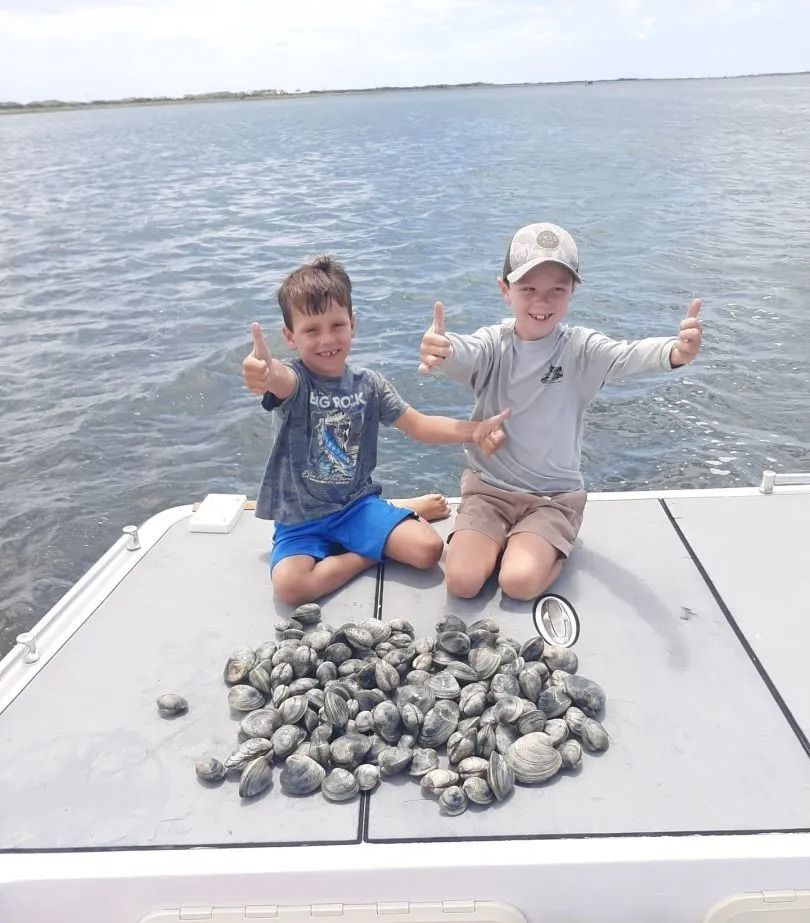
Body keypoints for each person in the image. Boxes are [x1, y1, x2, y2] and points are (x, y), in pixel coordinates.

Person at [418, 221, 703, 601]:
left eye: (557, 289)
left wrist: (676, 352)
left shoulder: (581, 350)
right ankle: (511, 543)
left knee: (517, 584)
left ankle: (549, 544)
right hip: (487, 492)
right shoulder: (492, 344)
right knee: (462, 582)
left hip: (551, 499)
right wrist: (443, 348)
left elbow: (627, 354)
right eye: (528, 289)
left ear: (572, 293)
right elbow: (463, 350)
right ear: (505, 290)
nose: (543, 301)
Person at [242, 254, 510, 607]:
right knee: (291, 588)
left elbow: (420, 425)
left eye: (337, 325)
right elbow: (275, 376)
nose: (326, 340)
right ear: (290, 337)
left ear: (353, 323)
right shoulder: (296, 382)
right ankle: (374, 542)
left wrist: (474, 430)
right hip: (300, 520)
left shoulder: (369, 386)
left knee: (428, 550)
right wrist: (261, 371)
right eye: (311, 330)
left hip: (355, 507)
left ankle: (382, 519)